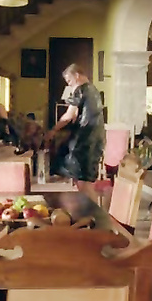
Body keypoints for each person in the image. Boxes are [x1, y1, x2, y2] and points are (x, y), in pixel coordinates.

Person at [44, 63, 105, 202]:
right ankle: (89, 209)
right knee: (84, 179)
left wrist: (53, 130)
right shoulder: (94, 90)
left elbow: (68, 115)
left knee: (83, 181)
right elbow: (83, 111)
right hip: (96, 138)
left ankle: (93, 211)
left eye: (69, 80)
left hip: (85, 139)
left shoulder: (81, 90)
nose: (69, 84)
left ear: (77, 75)